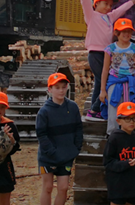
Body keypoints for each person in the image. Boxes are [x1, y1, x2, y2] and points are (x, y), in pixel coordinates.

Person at [63, 0, 135, 120]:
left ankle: (95, 109)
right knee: (102, 79)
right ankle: (94, 109)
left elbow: (119, 11)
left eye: (110, 4)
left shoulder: (109, 18)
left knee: (100, 81)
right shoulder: (91, 15)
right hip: (95, 53)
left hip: (106, 53)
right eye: (105, 3)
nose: (109, 7)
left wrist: (132, 2)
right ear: (96, 4)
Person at [36, 73, 84, 205]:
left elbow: (78, 128)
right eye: (57, 87)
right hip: (48, 157)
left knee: (63, 188)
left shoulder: (73, 107)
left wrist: (76, 147)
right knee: (48, 187)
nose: (61, 90)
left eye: (63, 87)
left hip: (66, 155)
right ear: (49, 89)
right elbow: (41, 134)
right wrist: (51, 151)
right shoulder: (44, 111)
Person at [100, 18, 135, 135]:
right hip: (114, 81)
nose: (126, 34)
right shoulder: (110, 49)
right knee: (113, 109)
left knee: (129, 109)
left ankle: (128, 134)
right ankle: (112, 135)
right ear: (116, 33)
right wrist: (103, 90)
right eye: (123, 31)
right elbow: (105, 69)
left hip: (130, 83)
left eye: (129, 31)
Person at [104, 102, 135, 205]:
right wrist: (125, 164)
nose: (132, 122)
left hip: (133, 185)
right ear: (119, 121)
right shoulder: (114, 138)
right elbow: (108, 162)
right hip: (117, 185)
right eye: (128, 118)